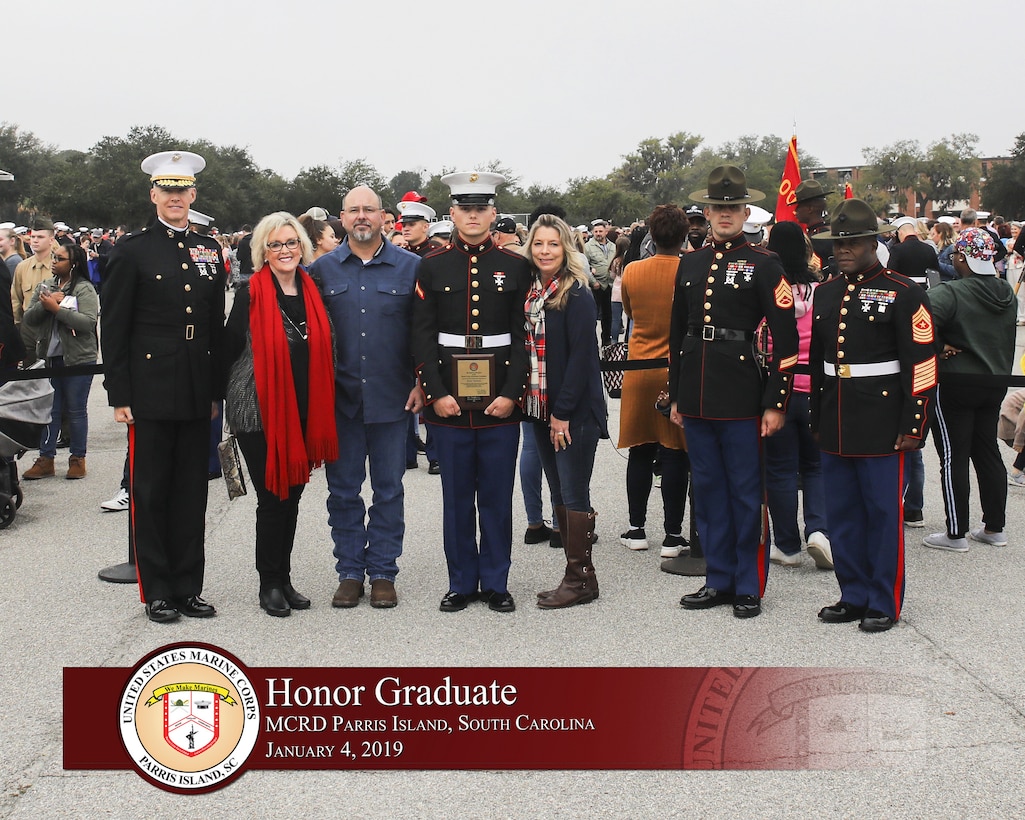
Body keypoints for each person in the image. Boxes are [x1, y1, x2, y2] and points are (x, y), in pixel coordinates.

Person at [101, 150, 226, 624]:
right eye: (167, 190)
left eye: (183, 190)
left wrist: (215, 390)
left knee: (192, 490)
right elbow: (114, 328)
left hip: (196, 384)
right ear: (154, 194)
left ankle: (188, 586)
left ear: (193, 195)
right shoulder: (131, 250)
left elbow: (213, 322)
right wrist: (120, 395)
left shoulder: (209, 249)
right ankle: (156, 589)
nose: (176, 198)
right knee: (151, 491)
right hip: (150, 387)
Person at [669, 165, 799, 619]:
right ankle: (718, 577)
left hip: (743, 393)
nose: (724, 215)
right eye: (717, 208)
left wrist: (775, 402)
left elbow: (786, 342)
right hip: (698, 393)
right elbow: (678, 333)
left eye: (732, 208)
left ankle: (748, 583)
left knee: (745, 493)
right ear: (705, 213)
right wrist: (678, 394)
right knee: (707, 491)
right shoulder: (690, 261)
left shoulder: (765, 264)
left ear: (746, 212)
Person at [809, 198, 937, 633]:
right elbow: (817, 363)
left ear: (873, 242)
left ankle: (883, 599)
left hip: (883, 422)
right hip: (837, 418)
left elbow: (922, 365)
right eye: (837, 242)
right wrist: (817, 418)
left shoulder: (904, 292)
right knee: (842, 514)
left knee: (882, 515)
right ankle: (853, 593)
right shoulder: (825, 292)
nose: (843, 249)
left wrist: (914, 425)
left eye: (854, 241)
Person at [411, 171, 531, 613]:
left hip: (500, 398)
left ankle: (496, 582)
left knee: (498, 498)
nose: (474, 215)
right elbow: (421, 335)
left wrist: (512, 392)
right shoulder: (432, 265)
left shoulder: (517, 267)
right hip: (449, 401)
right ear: (453, 213)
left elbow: (523, 335)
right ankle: (461, 582)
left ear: (494, 213)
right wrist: (434, 391)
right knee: (457, 498)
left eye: (482, 208)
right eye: (466, 208)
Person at [310, 186, 422, 610]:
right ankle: (350, 571)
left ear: (384, 217)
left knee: (389, 490)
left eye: (369, 210)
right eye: (354, 210)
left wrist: (420, 382)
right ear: (342, 217)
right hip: (340, 401)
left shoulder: (411, 268)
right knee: (343, 491)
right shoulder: (321, 270)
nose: (361, 217)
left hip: (394, 400)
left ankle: (383, 572)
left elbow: (421, 333)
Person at [224, 212, 337, 616]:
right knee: (273, 498)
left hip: (304, 407)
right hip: (260, 410)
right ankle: (269, 583)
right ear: (262, 252)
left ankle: (284, 579)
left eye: (291, 243)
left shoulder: (313, 290)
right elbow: (228, 350)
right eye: (275, 244)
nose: (285, 250)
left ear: (302, 247)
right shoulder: (250, 293)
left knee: (292, 496)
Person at [522, 214, 606, 608]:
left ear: (566, 248)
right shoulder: (532, 290)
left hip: (571, 413)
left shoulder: (577, 294)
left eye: (553, 244)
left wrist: (563, 412)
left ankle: (581, 578)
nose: (545, 251)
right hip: (539, 407)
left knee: (574, 491)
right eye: (539, 243)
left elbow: (582, 359)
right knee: (557, 488)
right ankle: (574, 575)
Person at [922, 228, 1016, 552]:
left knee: (953, 455)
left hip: (956, 381)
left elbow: (917, 322)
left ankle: (956, 532)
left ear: (962, 257)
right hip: (995, 381)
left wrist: (939, 344)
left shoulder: (952, 292)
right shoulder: (1007, 291)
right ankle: (995, 526)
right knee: (987, 451)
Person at [618, 205, 690, 558]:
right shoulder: (691, 270)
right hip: (675, 368)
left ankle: (636, 528)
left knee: (640, 449)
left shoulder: (633, 270)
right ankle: (673, 534)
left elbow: (629, 313)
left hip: (639, 365)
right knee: (675, 451)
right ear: (684, 235)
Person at [762, 221, 831, 569]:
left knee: (780, 469)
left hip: (779, 389)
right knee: (816, 466)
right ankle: (819, 529)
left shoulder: (769, 290)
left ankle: (787, 545)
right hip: (816, 387)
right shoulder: (821, 290)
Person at [19, 243, 98, 480]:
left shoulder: (84, 288)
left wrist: (57, 309)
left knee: (75, 410)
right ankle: (46, 459)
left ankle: (77, 458)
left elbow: (87, 322)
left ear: (73, 264)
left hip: (78, 359)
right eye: (54, 257)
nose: (54, 261)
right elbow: (29, 319)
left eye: (60, 258)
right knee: (49, 411)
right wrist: (47, 304)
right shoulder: (47, 286)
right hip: (50, 359)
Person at [11, 218, 57, 366]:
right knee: (30, 378)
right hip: (28, 329)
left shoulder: (60, 265)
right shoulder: (22, 267)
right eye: (32, 237)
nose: (35, 241)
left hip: (52, 327)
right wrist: (16, 328)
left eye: (40, 237)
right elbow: (16, 299)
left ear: (51, 240)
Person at [584, 219, 615, 345]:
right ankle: (593, 343)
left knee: (608, 316)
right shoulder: (588, 247)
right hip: (596, 286)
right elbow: (584, 266)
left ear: (606, 232)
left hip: (610, 285)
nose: (598, 233)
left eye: (600, 231)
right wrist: (593, 281)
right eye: (596, 231)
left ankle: (606, 342)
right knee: (593, 315)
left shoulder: (613, 246)